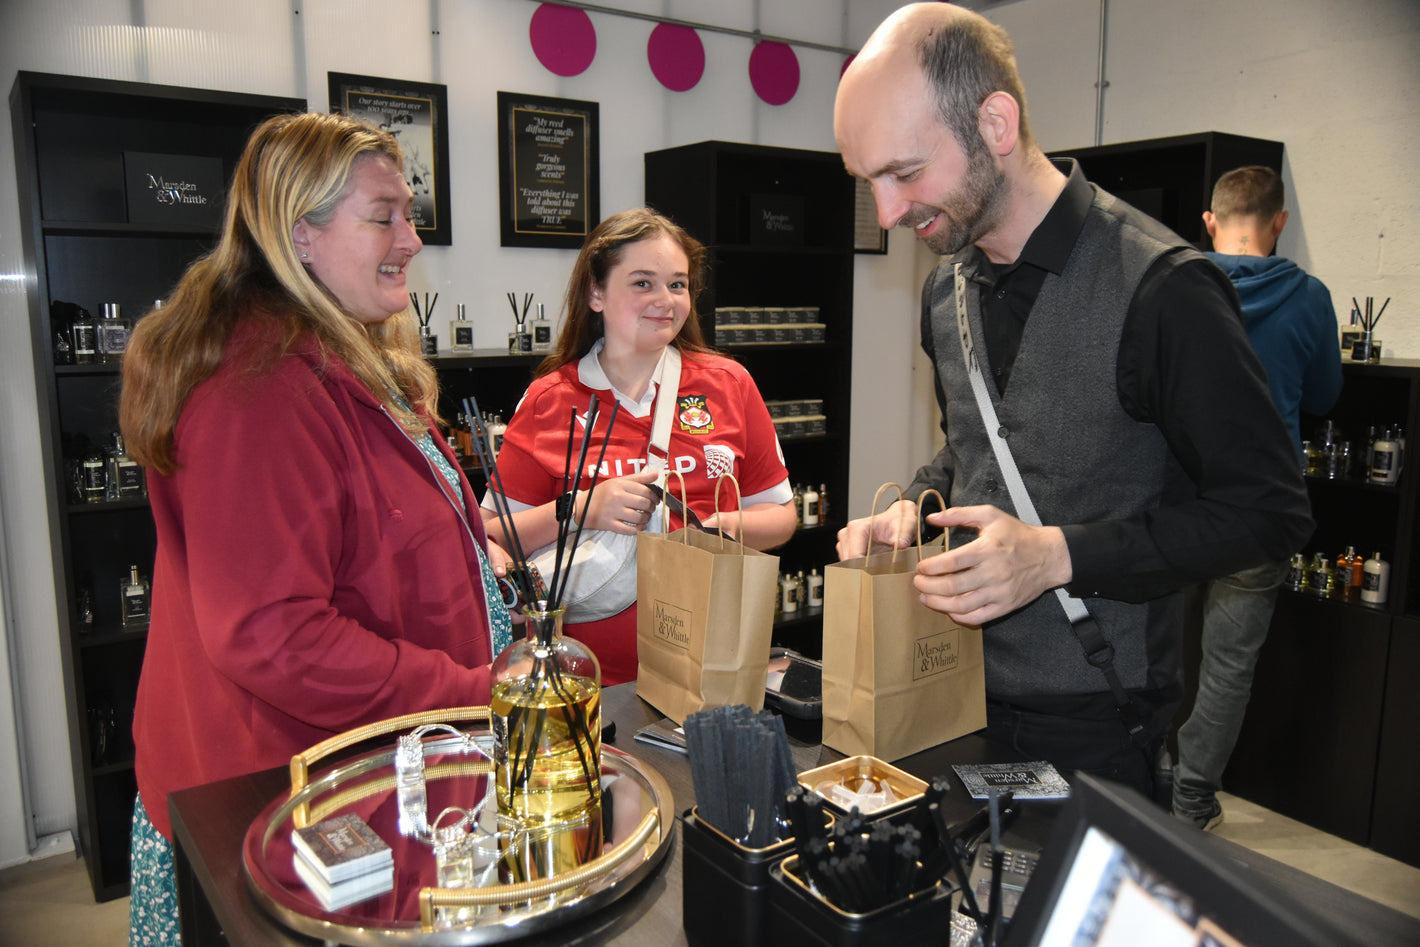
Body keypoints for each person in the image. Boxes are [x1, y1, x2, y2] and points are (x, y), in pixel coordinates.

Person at [833, 4, 1313, 799]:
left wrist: (1059, 554)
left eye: (905, 174)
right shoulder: (944, 287)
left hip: (1098, 723)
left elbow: (1268, 511)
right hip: (946, 693)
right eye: (869, 183)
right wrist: (915, 509)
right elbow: (980, 450)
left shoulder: (1165, 290)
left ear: (994, 122)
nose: (887, 213)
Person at [119, 112, 511, 943]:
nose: (410, 238)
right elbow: (273, 633)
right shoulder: (260, 388)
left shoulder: (338, 355)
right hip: (285, 801)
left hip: (360, 776)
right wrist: (469, 690)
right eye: (384, 217)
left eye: (410, 213)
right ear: (301, 235)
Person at [482, 208, 796, 685]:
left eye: (677, 284)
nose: (665, 300)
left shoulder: (730, 383)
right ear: (596, 292)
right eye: (643, 283)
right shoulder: (550, 399)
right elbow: (492, 536)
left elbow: (780, 518)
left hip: (714, 665)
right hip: (584, 681)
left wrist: (719, 530)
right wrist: (582, 508)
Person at [1172, 166, 1343, 829]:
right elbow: (1327, 395)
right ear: (1279, 222)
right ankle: (1190, 803)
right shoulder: (1311, 298)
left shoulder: (1181, 287)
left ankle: (1152, 778)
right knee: (1228, 665)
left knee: (1161, 648)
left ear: (1211, 223)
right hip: (1261, 511)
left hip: (1180, 500)